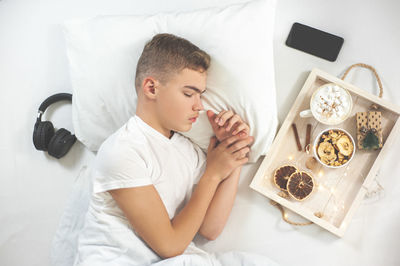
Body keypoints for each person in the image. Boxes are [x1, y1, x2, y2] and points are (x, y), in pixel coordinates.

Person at [74, 33, 254, 265]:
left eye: (200, 95)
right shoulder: (122, 151)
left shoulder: (189, 152)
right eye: (188, 94)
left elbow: (210, 229)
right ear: (151, 88)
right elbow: (170, 246)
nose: (198, 106)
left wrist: (232, 151)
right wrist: (213, 174)